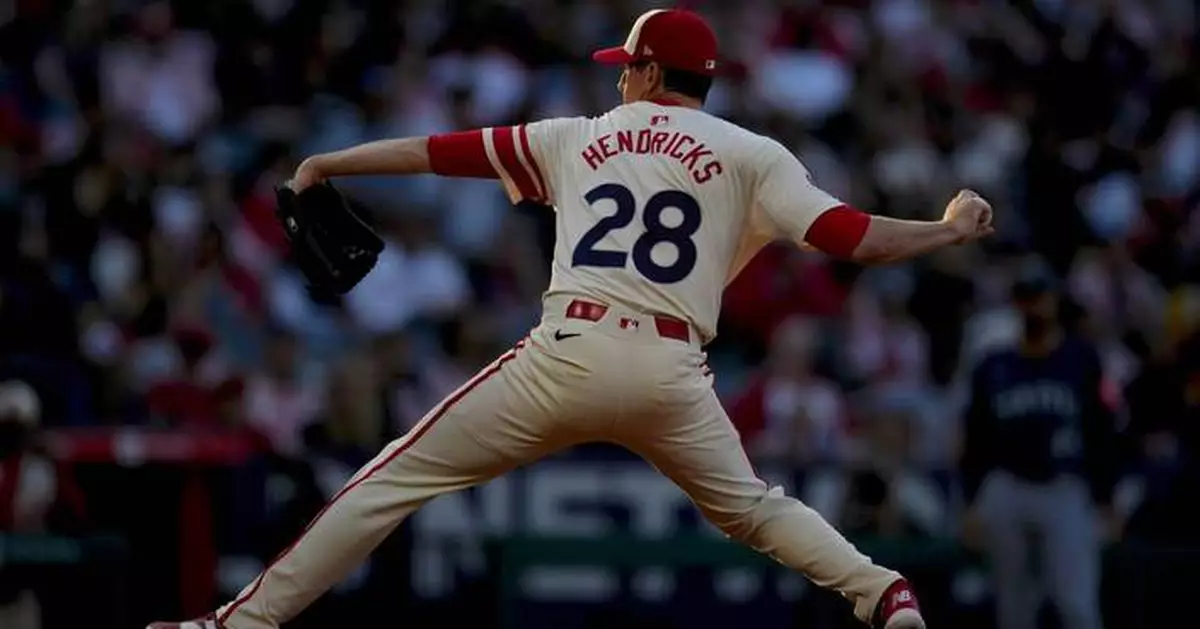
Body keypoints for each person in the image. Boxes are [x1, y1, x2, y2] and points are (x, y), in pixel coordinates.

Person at [151, 9, 993, 629]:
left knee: (393, 479)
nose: (620, 77)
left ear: (653, 75)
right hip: (672, 374)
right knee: (755, 510)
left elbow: (437, 152)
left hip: (569, 351)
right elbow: (851, 239)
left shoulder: (578, 135)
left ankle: (239, 626)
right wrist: (947, 228)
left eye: (627, 66)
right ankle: (884, 593)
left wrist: (328, 161)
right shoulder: (753, 154)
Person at [960, 258, 1121, 629]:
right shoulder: (994, 365)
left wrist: (1107, 499)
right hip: (1008, 486)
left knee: (1077, 607)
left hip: (1064, 486)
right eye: (1025, 297)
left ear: (1054, 301)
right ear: (1016, 303)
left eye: (1040, 296)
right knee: (1014, 612)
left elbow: (1102, 430)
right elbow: (976, 437)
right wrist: (971, 502)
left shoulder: (1081, 358)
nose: (1033, 305)